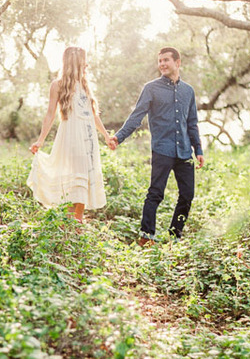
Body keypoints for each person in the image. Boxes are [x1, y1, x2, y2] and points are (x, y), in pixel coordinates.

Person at [109, 47, 204, 245]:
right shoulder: (151, 88)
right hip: (162, 149)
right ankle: (147, 236)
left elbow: (192, 123)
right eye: (159, 60)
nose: (161, 64)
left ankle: (174, 236)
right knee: (155, 193)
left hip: (185, 151)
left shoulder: (188, 91)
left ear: (177, 63)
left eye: (166, 60)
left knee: (187, 195)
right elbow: (137, 116)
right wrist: (119, 137)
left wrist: (199, 150)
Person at [27, 46, 115, 223]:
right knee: (74, 175)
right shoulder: (58, 85)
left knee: (84, 174)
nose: (87, 65)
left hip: (88, 136)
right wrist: (41, 140)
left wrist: (106, 136)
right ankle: (71, 220)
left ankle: (78, 220)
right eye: (84, 61)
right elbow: (50, 114)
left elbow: (93, 115)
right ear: (75, 62)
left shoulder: (85, 85)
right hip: (71, 136)